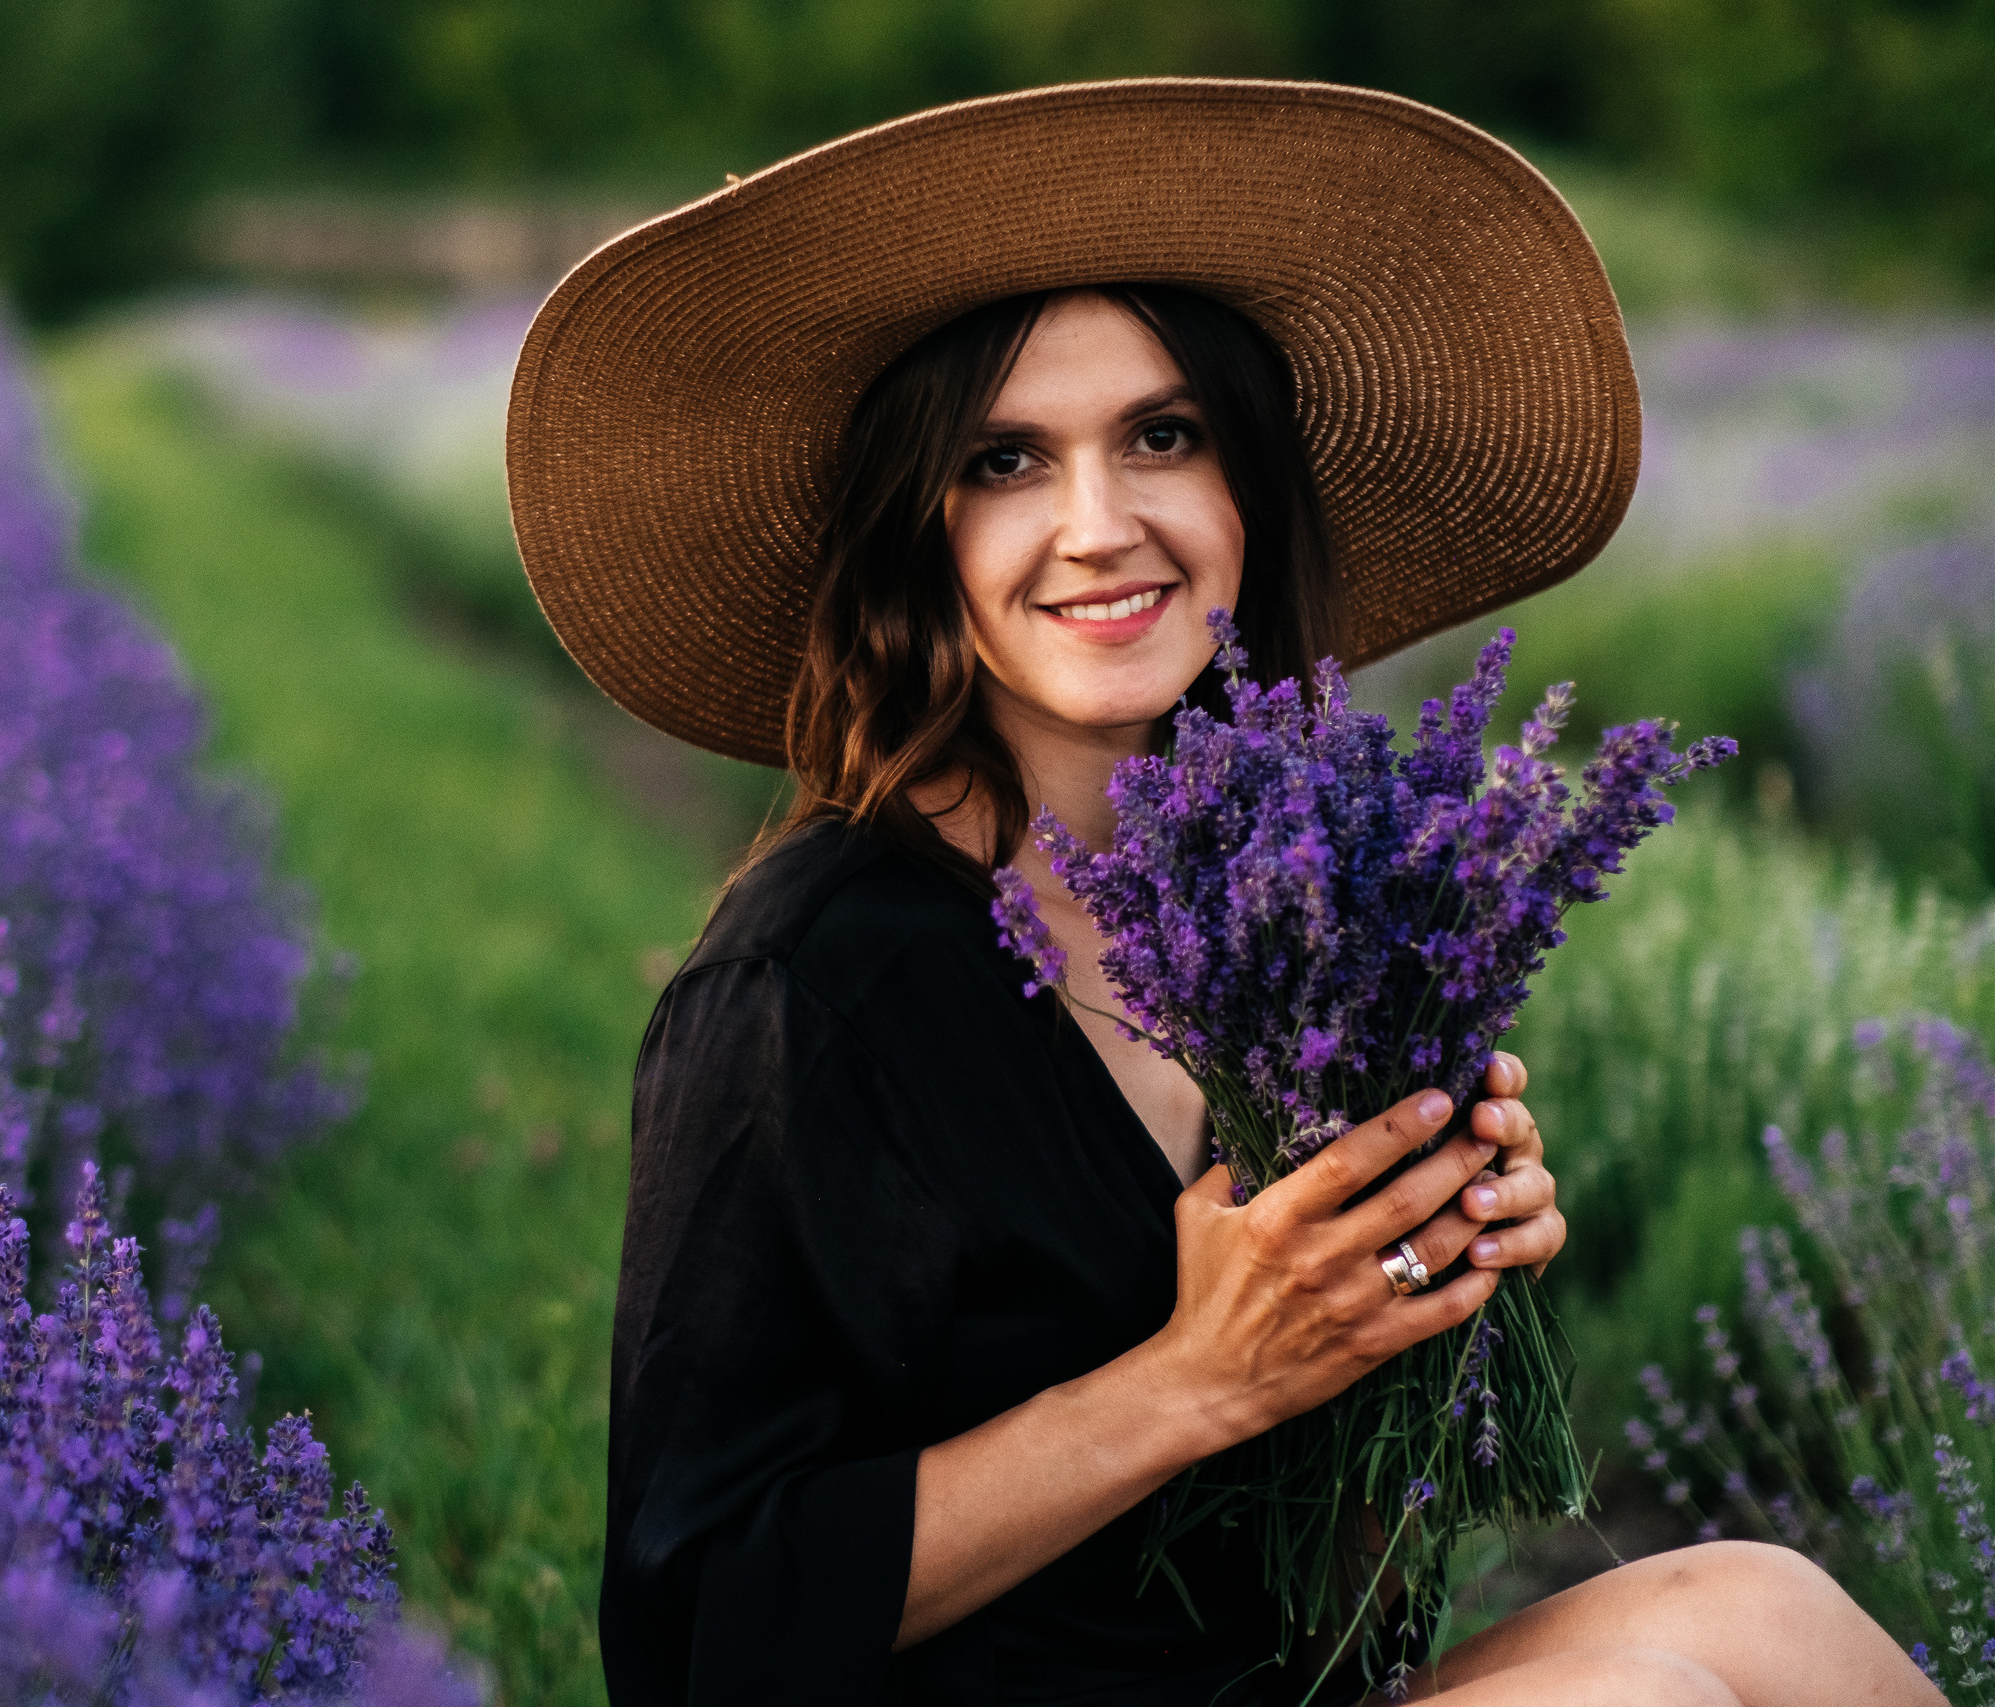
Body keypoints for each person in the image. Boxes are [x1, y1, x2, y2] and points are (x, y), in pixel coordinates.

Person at [506, 80, 1937, 1707]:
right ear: (920, 538)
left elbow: (1327, 1580)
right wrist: (1196, 1378)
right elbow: (696, 1637)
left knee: (1769, 1609)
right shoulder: (804, 988)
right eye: (1005, 461)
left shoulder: (1312, 931)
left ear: (1247, 488)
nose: (1100, 528)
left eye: (1163, 438)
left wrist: (1420, 1296)